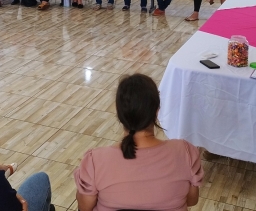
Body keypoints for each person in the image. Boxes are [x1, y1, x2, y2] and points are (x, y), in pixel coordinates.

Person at [73, 74, 202, 211]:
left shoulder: (95, 161)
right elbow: (191, 200)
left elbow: (84, 207)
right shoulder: (186, 153)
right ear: (157, 111)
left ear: (119, 113)